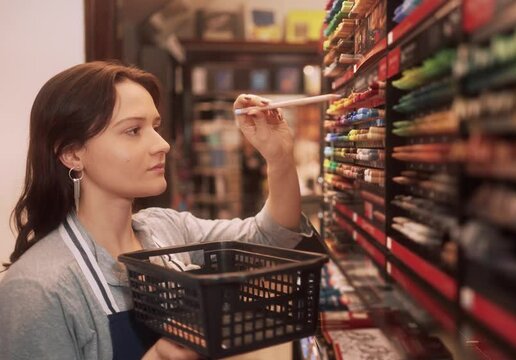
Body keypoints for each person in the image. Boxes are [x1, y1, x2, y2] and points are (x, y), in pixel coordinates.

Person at [0, 61, 313, 359]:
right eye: (133, 130)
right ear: (72, 154)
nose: (162, 144)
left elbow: (271, 237)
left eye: (155, 126)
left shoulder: (165, 230)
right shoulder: (37, 289)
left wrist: (279, 156)